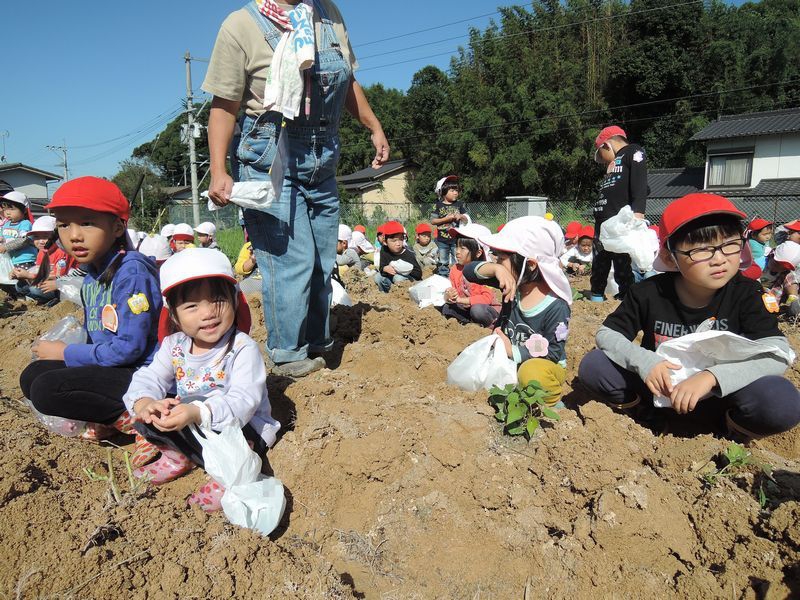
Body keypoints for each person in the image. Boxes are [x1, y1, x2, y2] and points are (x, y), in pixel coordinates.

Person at [204, 0, 389, 378]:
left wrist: (373, 126)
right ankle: (288, 354)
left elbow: (347, 82)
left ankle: (317, 340)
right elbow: (224, 105)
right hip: (268, 153)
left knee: (323, 257)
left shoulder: (327, 13)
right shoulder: (241, 25)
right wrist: (219, 169)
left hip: (323, 151)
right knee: (291, 258)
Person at [578, 193, 800, 440]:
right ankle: (647, 418)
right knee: (595, 366)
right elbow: (607, 334)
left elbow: (777, 352)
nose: (719, 259)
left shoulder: (746, 293)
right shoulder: (649, 292)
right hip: (660, 392)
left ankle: (729, 431)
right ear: (669, 256)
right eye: (701, 250)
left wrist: (713, 377)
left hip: (722, 397)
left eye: (729, 244)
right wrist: (645, 362)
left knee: (781, 401)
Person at [18, 177, 162, 466]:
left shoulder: (131, 272)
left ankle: (145, 425)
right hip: (115, 370)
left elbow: (129, 349)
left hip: (144, 375)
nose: (74, 235)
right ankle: (112, 416)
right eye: (64, 224)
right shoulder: (94, 275)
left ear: (118, 227)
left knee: (47, 390)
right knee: (33, 376)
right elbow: (98, 336)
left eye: (86, 223)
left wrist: (65, 353)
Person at [123, 248, 280, 511]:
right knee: (153, 414)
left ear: (234, 301)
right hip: (196, 424)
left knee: (237, 434)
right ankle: (176, 457)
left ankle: (227, 476)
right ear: (173, 315)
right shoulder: (175, 346)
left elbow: (244, 401)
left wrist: (198, 411)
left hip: (240, 427)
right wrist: (144, 401)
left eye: (217, 300)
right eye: (192, 306)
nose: (208, 313)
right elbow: (149, 377)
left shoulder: (242, 348)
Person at [463, 216, 572, 406]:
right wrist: (497, 269)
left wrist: (511, 350)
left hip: (541, 365)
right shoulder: (511, 283)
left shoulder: (556, 306)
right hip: (510, 358)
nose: (496, 261)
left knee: (532, 373)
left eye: (502, 258)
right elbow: (469, 271)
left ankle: (552, 403)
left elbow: (553, 352)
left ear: (530, 264)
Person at [590, 125, 648, 302]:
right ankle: (597, 293)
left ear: (607, 145)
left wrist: (638, 211)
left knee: (621, 256)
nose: (603, 161)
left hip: (619, 219)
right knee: (600, 257)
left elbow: (640, 182)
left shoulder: (633, 152)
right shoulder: (614, 164)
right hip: (603, 218)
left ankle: (625, 293)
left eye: (601, 156)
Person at [11, 215, 80, 304]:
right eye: (36, 237)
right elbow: (39, 270)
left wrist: (30, 276)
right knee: (20, 286)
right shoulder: (42, 252)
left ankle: (54, 299)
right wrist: (20, 274)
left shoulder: (62, 252)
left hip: (65, 284)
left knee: (35, 290)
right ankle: (44, 299)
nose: (41, 241)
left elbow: (60, 276)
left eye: (45, 236)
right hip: (50, 281)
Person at [441, 224, 498, 327]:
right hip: (467, 308)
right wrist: (449, 295)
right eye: (457, 246)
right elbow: (452, 290)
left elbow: (487, 299)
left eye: (463, 248)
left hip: (486, 309)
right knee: (446, 307)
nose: (457, 252)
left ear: (478, 252)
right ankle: (469, 326)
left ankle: (491, 327)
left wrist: (461, 300)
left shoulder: (485, 271)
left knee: (477, 310)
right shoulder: (455, 269)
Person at [430, 175, 469, 277]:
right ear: (443, 192)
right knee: (443, 260)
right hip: (442, 239)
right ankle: (444, 276)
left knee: (458, 259)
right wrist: (446, 219)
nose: (456, 193)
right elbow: (433, 221)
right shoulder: (438, 205)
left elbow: (467, 219)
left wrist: (460, 216)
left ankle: (459, 276)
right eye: (452, 190)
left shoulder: (460, 204)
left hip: (456, 239)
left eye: (457, 190)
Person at [374, 220, 422, 292]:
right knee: (378, 277)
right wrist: (385, 268)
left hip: (407, 281)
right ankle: (386, 295)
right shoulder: (384, 250)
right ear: (385, 242)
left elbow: (418, 274)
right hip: (391, 280)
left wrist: (405, 269)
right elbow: (381, 267)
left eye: (401, 239)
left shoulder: (408, 254)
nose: (398, 244)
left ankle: (403, 296)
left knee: (398, 278)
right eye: (394, 241)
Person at [760, 241, 800, 316]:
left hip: (771, 298)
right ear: (772, 254)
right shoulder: (761, 262)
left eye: (783, 268)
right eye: (777, 264)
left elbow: (790, 280)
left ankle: (794, 300)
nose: (779, 269)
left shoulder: (785, 272)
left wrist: (792, 296)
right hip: (756, 292)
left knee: (789, 276)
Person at [1, 191, 36, 270]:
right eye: (5, 209)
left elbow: (24, 240)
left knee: (24, 280)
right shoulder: (6, 225)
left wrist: (5, 247)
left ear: (24, 210)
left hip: (25, 259)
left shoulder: (25, 224)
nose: (7, 213)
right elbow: (2, 237)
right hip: (12, 260)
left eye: (11, 209)